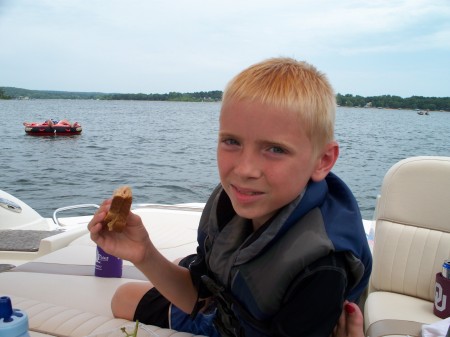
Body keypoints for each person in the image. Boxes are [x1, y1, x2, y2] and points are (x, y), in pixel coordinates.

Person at [88, 57, 372, 336]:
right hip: (231, 313)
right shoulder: (230, 204)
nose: (245, 169)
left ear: (322, 160)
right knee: (123, 296)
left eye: (275, 149)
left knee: (128, 297)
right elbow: (200, 300)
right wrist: (144, 253)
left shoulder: (321, 269)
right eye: (232, 141)